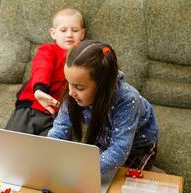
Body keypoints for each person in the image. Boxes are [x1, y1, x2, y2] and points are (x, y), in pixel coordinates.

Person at [48, 40, 159, 174]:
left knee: (122, 185)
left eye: (79, 87)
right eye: (69, 83)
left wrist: (83, 171)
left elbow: (119, 149)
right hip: (105, 137)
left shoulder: (128, 100)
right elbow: (59, 130)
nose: (71, 92)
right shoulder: (73, 93)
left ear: (103, 85)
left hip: (138, 146)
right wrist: (49, 154)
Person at [5, 8, 85, 136]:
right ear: (53, 33)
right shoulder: (48, 50)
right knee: (10, 143)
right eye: (63, 30)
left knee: (49, 151)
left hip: (58, 116)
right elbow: (42, 67)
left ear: (82, 34)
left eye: (75, 30)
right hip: (32, 106)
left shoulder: (84, 56)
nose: (69, 34)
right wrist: (40, 89)